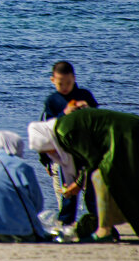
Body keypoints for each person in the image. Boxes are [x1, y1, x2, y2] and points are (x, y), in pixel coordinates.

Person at [28, 109, 139, 242]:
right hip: (132, 130)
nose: (52, 154)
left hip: (126, 134)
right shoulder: (62, 129)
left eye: (50, 150)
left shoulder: (65, 133)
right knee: (111, 177)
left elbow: (92, 160)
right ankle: (109, 225)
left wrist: (78, 184)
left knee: (101, 177)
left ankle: (104, 231)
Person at [40, 60, 99, 230]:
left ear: (74, 78)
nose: (65, 87)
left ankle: (96, 220)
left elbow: (99, 121)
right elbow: (47, 129)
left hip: (87, 152)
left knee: (92, 190)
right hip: (65, 153)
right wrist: (45, 159)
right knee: (68, 192)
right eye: (60, 84)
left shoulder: (84, 95)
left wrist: (87, 109)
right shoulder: (52, 100)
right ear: (53, 81)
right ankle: (66, 223)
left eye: (68, 83)